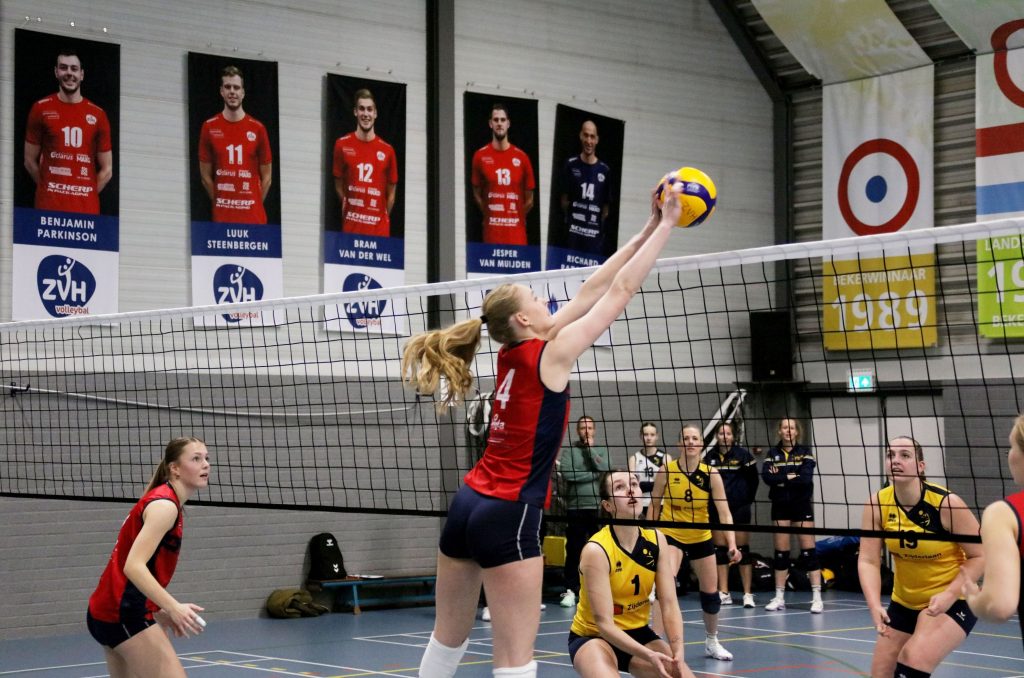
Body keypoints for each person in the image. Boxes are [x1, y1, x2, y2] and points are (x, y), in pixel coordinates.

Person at [402, 187, 682, 678]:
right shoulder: (552, 354)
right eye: (535, 297)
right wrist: (668, 227)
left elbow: (591, 289)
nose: (545, 299)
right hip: (509, 512)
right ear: (523, 318)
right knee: (515, 660)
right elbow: (619, 292)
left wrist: (644, 230)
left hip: (467, 504)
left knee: (447, 641)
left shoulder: (511, 352)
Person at [859, 436, 983, 678]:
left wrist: (949, 594)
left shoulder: (946, 504)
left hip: (954, 598)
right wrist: (874, 605)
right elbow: (868, 560)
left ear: (920, 466)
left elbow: (981, 555)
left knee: (913, 658)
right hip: (904, 601)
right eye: (890, 455)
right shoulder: (877, 504)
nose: (896, 460)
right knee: (881, 673)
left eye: (905, 455)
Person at [86, 437, 210, 677]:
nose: (205, 464)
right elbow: (133, 567)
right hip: (123, 616)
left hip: (106, 612)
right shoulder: (165, 506)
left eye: (206, 458)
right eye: (196, 459)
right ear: (175, 468)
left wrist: (156, 609)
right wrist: (172, 607)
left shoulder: (165, 500)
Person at [569, 470, 695, 678]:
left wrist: (678, 651)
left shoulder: (657, 540)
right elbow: (604, 624)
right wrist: (649, 655)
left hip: (638, 632)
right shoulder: (597, 550)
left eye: (634, 484)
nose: (630, 490)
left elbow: (669, 604)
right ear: (607, 506)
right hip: (594, 636)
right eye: (619, 487)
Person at [648, 424, 741, 662]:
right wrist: (650, 537)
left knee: (710, 594)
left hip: (700, 536)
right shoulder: (667, 470)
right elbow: (654, 505)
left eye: (694, 438)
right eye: (686, 438)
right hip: (671, 533)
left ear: (701, 443)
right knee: (665, 587)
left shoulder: (711, 474)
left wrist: (732, 544)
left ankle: (712, 641)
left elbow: (724, 512)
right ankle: (655, 642)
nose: (690, 442)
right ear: (679, 444)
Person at [24, 49, 113, 214]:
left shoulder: (98, 115)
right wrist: (47, 188)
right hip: (48, 208)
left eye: (74, 69)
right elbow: (29, 160)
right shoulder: (40, 108)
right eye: (63, 68)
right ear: (56, 72)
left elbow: (107, 169)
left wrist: (87, 194)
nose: (69, 73)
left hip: (86, 212)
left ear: (82, 74)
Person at [963, 413, 1024, 650]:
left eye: (1011, 447)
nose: (1009, 455)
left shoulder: (1004, 513)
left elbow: (999, 606)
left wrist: (974, 598)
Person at [761, 417, 823, 613]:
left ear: (797, 431)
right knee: (781, 553)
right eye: (785, 427)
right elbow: (767, 478)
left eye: (792, 428)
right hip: (780, 506)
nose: (788, 431)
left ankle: (817, 597)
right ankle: (779, 597)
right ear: (779, 431)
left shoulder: (805, 452)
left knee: (808, 552)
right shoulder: (772, 454)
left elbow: (805, 479)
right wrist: (790, 476)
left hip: (801, 505)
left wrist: (781, 478)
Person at [198, 65, 272, 224]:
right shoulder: (209, 127)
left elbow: (267, 177)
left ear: (243, 93)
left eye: (236, 87)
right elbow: (205, 177)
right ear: (221, 91)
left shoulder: (258, 128)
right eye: (228, 87)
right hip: (222, 218)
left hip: (254, 219)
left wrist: (254, 204)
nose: (232, 91)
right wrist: (219, 202)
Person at [559, 415, 613, 609]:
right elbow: (568, 474)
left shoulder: (601, 450)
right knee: (574, 550)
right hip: (575, 507)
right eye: (583, 428)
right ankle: (570, 590)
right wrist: (593, 474)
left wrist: (590, 450)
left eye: (590, 427)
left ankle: (601, 588)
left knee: (600, 549)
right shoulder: (569, 451)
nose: (586, 431)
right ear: (578, 430)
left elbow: (605, 468)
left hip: (597, 508)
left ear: (594, 430)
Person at [703, 421, 758, 608]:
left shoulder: (743, 456)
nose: (724, 436)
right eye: (721, 433)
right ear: (717, 436)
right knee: (720, 551)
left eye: (728, 433)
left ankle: (747, 594)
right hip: (717, 509)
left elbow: (754, 481)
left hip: (739, 508)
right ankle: (724, 592)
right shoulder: (709, 457)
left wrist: (744, 499)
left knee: (742, 550)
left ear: (733, 436)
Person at [333, 88, 398, 237]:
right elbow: (338, 185)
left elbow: (391, 195)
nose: (366, 114)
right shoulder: (341, 145)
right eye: (361, 109)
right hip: (351, 229)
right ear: (355, 112)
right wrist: (349, 207)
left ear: (375, 113)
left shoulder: (388, 150)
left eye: (370, 109)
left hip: (379, 232)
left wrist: (379, 218)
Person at [471, 102, 535, 245]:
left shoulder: (522, 158)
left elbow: (530, 200)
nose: (499, 123)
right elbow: (476, 194)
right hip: (492, 235)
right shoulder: (480, 156)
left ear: (508, 123)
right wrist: (489, 214)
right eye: (496, 120)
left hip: (517, 237)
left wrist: (517, 216)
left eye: (502, 120)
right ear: (490, 124)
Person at [560, 120, 612, 256]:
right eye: (586, 135)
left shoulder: (604, 170)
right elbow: (564, 201)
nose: (589, 141)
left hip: (593, 240)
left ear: (597, 140)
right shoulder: (570, 165)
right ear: (581, 136)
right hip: (573, 237)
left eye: (592, 136)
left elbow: (605, 209)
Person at [628, 422, 670, 513]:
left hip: (660, 503)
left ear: (657, 436)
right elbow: (633, 485)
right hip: (640, 503)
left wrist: (644, 485)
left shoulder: (665, 457)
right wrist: (656, 484)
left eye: (652, 435)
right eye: (645, 434)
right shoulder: (634, 458)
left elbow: (667, 484)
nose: (649, 438)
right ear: (641, 436)